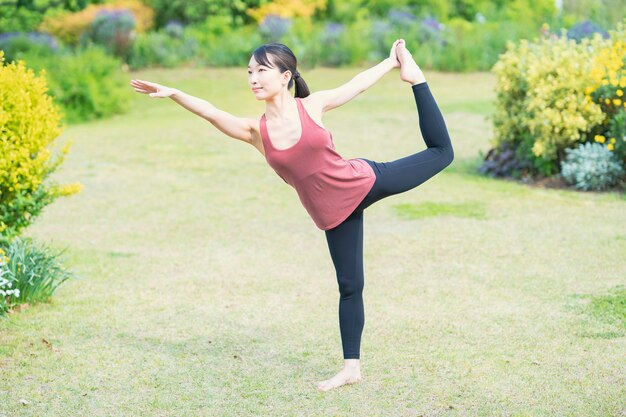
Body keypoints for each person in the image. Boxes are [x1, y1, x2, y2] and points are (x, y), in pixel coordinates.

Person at [130, 39, 454, 392]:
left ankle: (416, 77)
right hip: (333, 214)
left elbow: (355, 84)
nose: (253, 78)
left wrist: (392, 64)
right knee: (350, 286)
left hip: (363, 180)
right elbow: (211, 112)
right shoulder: (257, 132)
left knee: (441, 153)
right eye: (250, 72)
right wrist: (176, 92)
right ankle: (351, 369)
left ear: (286, 76)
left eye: (261, 71)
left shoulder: (311, 106)